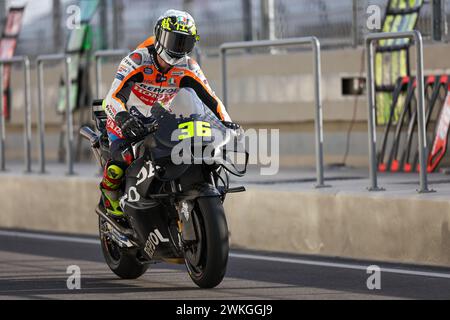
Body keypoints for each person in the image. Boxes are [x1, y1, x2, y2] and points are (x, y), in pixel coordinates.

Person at [100, 9, 240, 216]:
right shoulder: (137, 60)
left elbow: (212, 99)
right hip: (126, 115)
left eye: (185, 43)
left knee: (196, 148)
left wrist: (227, 124)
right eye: (173, 40)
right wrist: (122, 117)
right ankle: (109, 193)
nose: (178, 48)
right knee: (122, 157)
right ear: (159, 36)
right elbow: (112, 97)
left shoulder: (188, 66)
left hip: (160, 116)